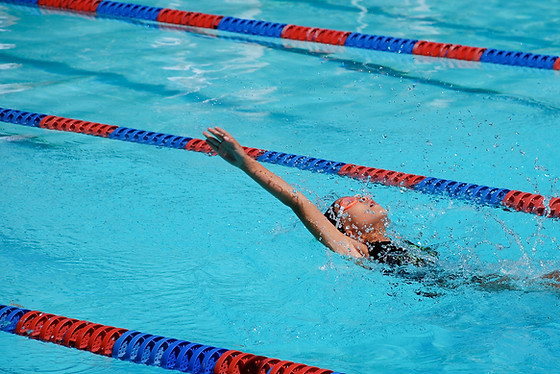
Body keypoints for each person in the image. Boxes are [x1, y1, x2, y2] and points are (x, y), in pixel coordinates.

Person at [203, 127, 435, 267]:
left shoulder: (403, 245)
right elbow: (298, 202)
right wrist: (247, 164)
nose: (363, 197)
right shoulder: (356, 250)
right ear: (346, 229)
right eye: (348, 202)